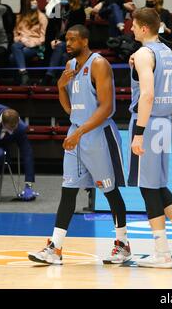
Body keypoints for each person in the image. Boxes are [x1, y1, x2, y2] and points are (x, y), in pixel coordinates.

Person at [28, 24, 130, 265]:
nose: (68, 44)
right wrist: (60, 86)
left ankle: (123, 244)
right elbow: (70, 109)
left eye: (73, 40)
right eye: (66, 40)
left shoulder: (99, 64)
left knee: (110, 191)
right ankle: (55, 248)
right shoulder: (69, 67)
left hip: (98, 135)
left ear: (85, 41)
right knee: (68, 189)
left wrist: (80, 131)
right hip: (76, 134)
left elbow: (107, 108)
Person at [128, 8, 172, 268]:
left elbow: (147, 95)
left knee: (148, 187)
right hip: (166, 121)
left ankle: (162, 252)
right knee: (157, 183)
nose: (131, 29)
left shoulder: (145, 53)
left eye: (134, 25)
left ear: (144, 28)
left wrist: (139, 134)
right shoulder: (167, 51)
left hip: (150, 121)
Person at [0, 101, 38, 203]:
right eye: (11, 128)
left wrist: (28, 184)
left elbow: (27, 153)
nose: (13, 130)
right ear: (3, 122)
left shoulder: (20, 127)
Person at [42, 0, 86, 86]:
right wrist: (51, 41)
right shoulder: (57, 9)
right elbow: (49, 30)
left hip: (74, 43)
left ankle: (49, 76)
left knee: (62, 48)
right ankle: (59, 81)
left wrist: (60, 41)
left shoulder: (78, 11)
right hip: (56, 44)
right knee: (63, 55)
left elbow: (77, 32)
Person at [10, 0, 48, 86]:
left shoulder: (42, 17)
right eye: (32, 0)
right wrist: (21, 39)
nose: (35, 2)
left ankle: (21, 79)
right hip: (21, 43)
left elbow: (42, 38)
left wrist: (30, 43)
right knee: (15, 46)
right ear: (25, 3)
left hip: (35, 47)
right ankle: (24, 77)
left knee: (12, 57)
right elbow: (15, 34)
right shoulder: (19, 17)